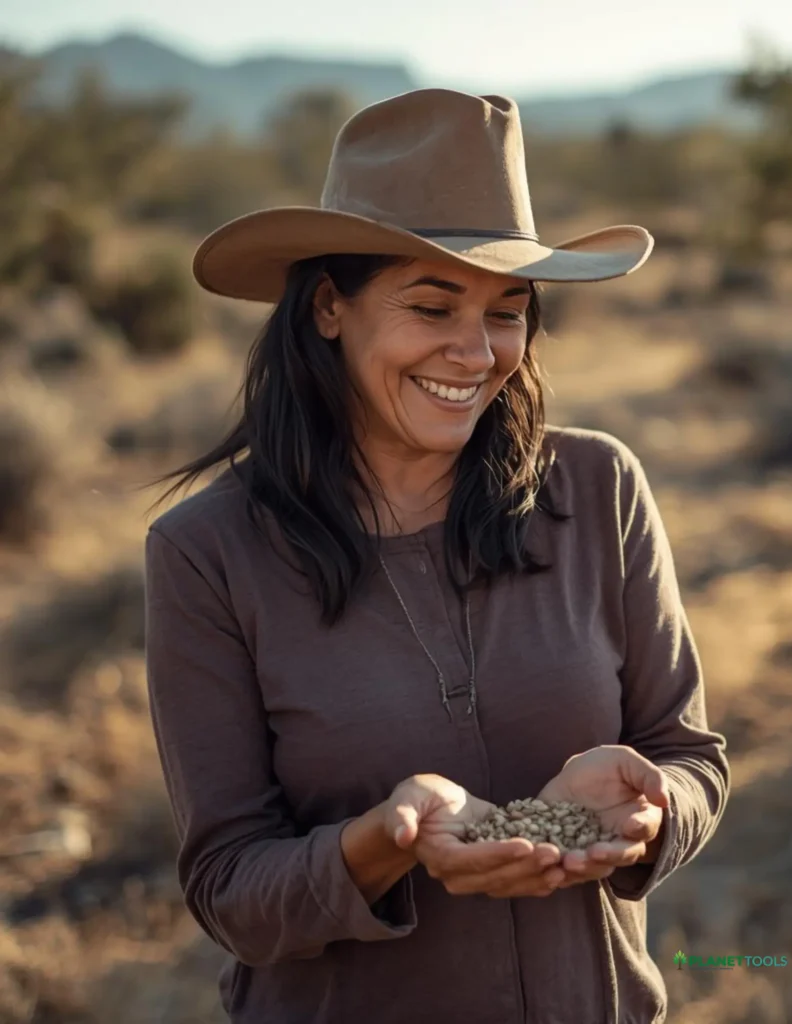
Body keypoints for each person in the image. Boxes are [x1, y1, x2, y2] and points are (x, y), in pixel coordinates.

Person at [143, 88, 729, 1024]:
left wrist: (646, 813)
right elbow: (229, 888)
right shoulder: (208, 552)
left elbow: (688, 756)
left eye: (507, 310)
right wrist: (385, 841)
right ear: (330, 307)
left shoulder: (596, 487)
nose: (474, 351)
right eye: (431, 304)